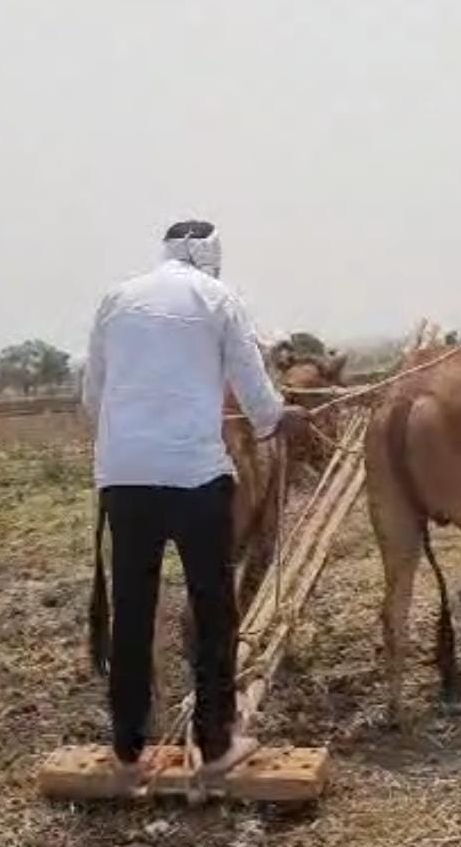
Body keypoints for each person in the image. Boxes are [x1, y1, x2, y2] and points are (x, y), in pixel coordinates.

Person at [83, 219, 304, 788]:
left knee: (132, 610)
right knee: (214, 608)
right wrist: (280, 419)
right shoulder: (218, 299)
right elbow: (257, 398)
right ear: (212, 258)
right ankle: (216, 743)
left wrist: (128, 443)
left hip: (124, 480)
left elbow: (91, 398)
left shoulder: (116, 299)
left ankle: (129, 753)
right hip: (196, 477)